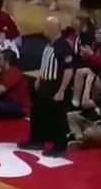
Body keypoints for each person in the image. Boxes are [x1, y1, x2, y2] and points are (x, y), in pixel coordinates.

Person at [19, 17, 74, 157]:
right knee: (38, 112)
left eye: (46, 27)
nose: (44, 29)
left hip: (55, 85)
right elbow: (45, 63)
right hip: (44, 83)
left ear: (53, 29)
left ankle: (59, 145)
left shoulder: (64, 46)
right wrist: (39, 78)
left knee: (56, 116)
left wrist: (61, 90)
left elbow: (68, 70)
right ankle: (37, 140)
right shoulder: (49, 44)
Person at [68, 71, 101, 148]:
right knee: (71, 116)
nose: (96, 83)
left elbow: (85, 103)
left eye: (98, 81)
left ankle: (83, 140)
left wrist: (88, 84)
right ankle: (79, 137)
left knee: (88, 132)